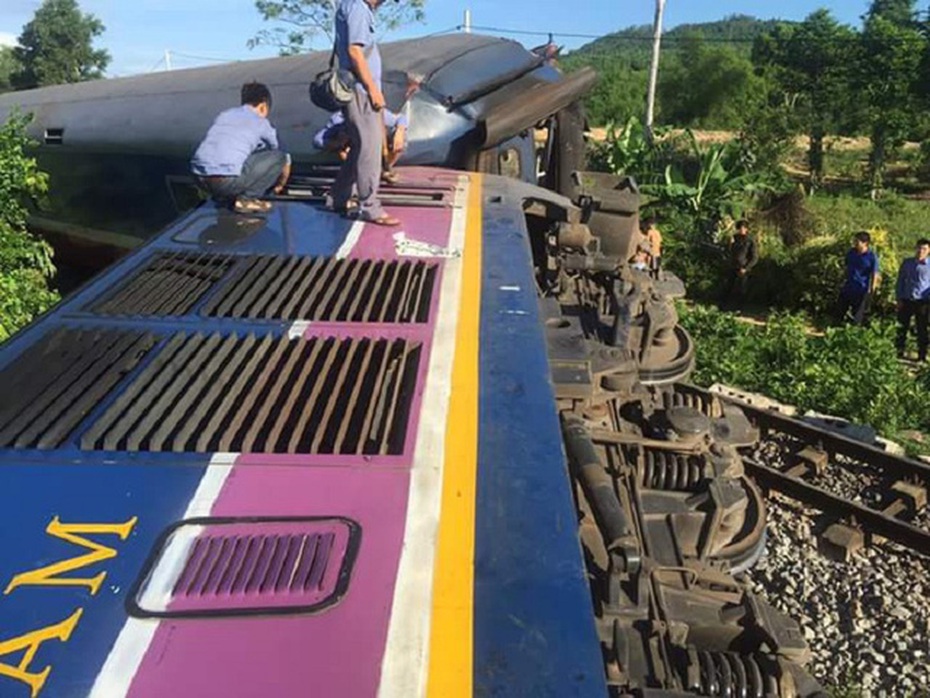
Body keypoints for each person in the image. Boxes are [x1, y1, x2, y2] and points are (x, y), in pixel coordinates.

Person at [330, 0, 399, 226]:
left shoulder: (353, 7)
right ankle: (370, 207)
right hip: (361, 92)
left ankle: (338, 197)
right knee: (370, 147)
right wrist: (373, 90)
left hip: (359, 91)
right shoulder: (358, 7)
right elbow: (355, 51)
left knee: (360, 146)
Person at [191, 82, 290, 214]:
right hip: (225, 182)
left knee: (238, 158)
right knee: (278, 157)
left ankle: (224, 197)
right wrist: (280, 184)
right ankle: (247, 200)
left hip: (198, 177)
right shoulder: (262, 123)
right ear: (263, 105)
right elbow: (281, 155)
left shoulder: (225, 115)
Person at [313, 108, 408, 181]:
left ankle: (384, 168)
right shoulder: (338, 120)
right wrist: (337, 143)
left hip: (376, 148)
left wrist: (400, 131)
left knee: (401, 137)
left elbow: (402, 118)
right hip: (352, 149)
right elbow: (317, 140)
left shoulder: (379, 115)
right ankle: (356, 171)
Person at [895, 238, 930, 361]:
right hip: (906, 299)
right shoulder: (907, 263)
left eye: (924, 249)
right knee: (901, 327)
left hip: (923, 301)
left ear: (928, 250)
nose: (921, 251)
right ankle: (898, 352)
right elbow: (900, 281)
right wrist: (899, 298)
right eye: (919, 248)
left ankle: (922, 355)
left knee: (922, 329)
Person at [837, 231, 880, 325]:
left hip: (860, 290)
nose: (855, 243)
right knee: (838, 314)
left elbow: (875, 275)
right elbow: (846, 268)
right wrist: (841, 282)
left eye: (857, 241)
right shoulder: (851, 253)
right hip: (847, 289)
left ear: (865, 243)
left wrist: (871, 292)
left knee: (857, 319)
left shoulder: (872, 257)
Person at [721, 220, 758, 310]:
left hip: (743, 267)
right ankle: (723, 306)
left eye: (743, 228)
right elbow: (728, 251)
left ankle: (739, 308)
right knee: (728, 286)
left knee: (742, 289)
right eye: (740, 228)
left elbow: (754, 257)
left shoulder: (750, 240)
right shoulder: (735, 238)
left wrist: (746, 268)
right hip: (733, 266)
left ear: (746, 229)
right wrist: (730, 244)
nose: (741, 230)